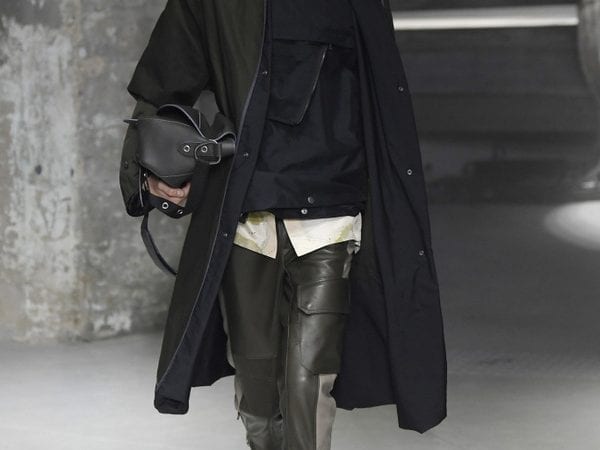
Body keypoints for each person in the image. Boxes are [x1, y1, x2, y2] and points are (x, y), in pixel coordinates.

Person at [119, 0, 447, 449]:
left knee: (310, 382)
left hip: (331, 214)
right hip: (248, 216)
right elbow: (162, 81)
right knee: (257, 396)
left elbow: (381, 95)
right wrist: (151, 167)